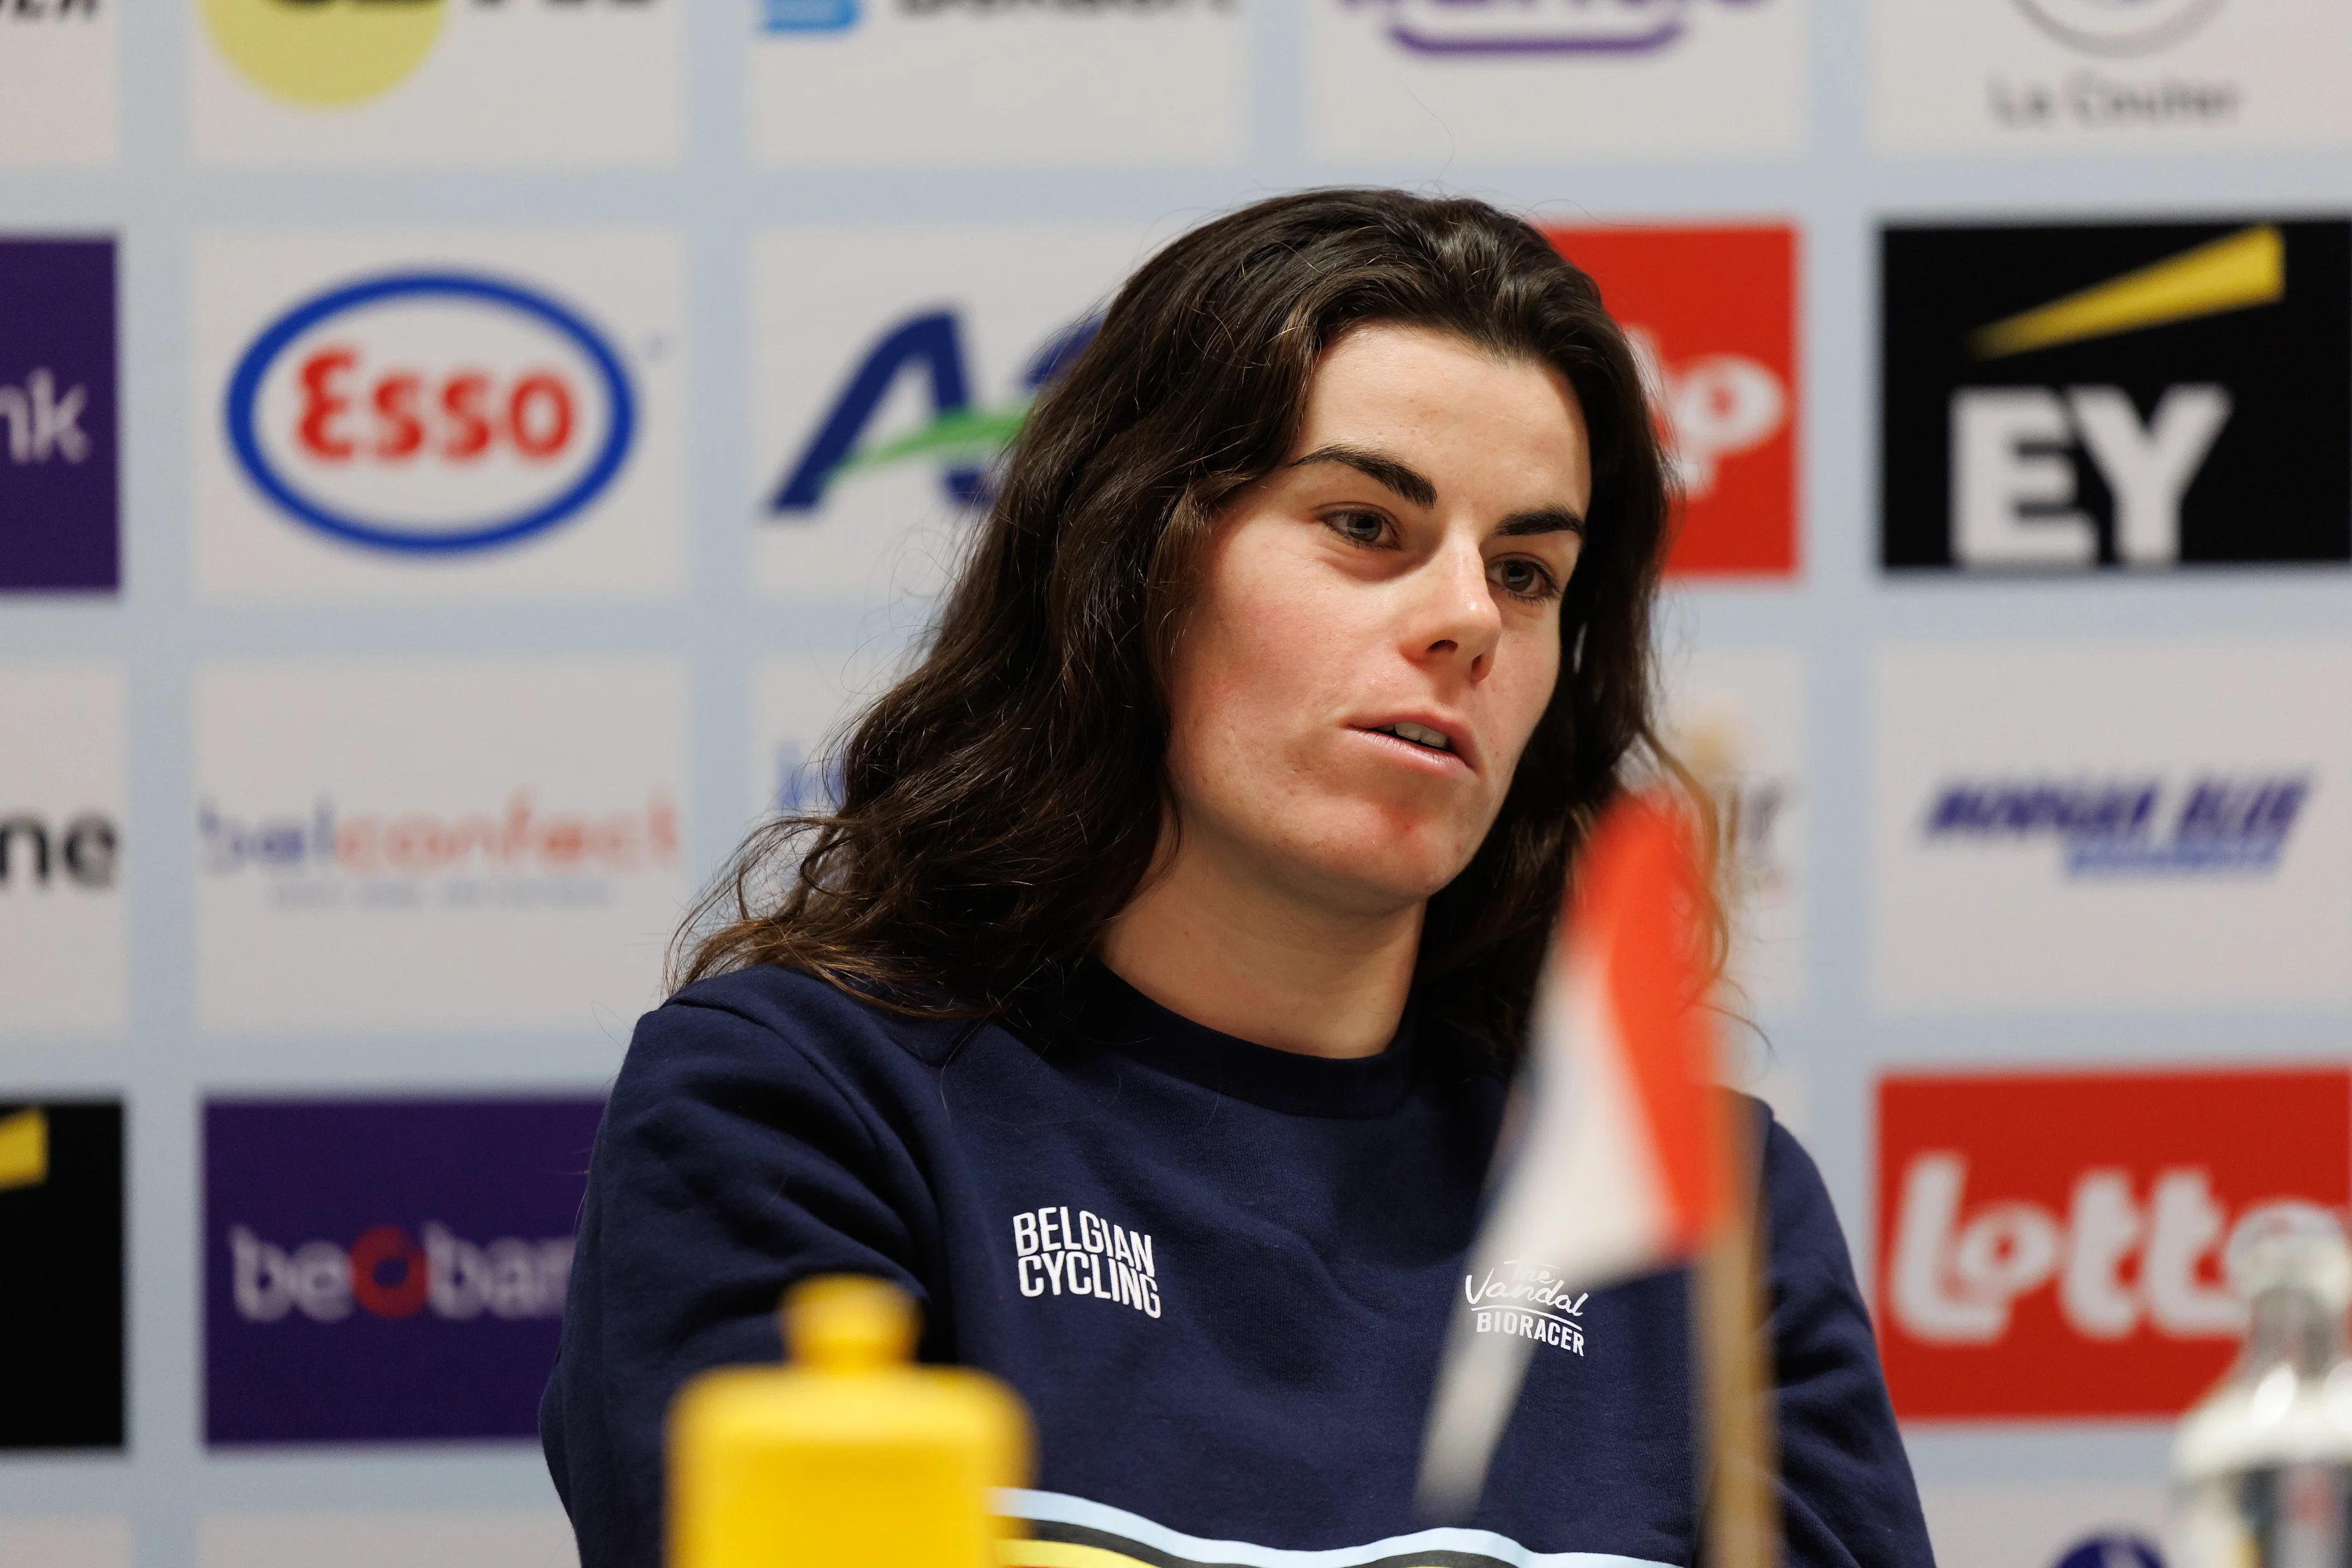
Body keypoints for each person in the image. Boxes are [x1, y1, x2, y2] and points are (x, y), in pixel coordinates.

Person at [541, 189, 1932, 1568]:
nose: (1465, 620)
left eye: (1525, 570)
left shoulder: (1702, 1204)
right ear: (1131, 560)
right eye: (1366, 525)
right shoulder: (803, 1102)